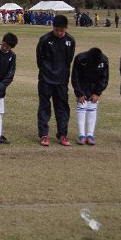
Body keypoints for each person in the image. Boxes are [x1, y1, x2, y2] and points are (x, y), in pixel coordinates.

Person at [36, 14, 76, 146]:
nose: (59, 33)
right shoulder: (44, 39)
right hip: (45, 80)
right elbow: (39, 60)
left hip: (62, 81)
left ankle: (62, 134)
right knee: (44, 107)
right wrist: (46, 72)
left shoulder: (70, 41)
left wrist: (62, 73)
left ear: (66, 28)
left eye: (62, 30)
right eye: (57, 30)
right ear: (53, 27)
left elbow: (69, 59)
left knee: (62, 107)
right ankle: (43, 134)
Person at [71, 47, 109, 146]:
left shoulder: (104, 60)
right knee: (82, 107)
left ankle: (90, 135)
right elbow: (75, 77)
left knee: (92, 108)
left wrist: (97, 93)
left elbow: (104, 78)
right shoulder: (80, 58)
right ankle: (81, 135)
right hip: (82, 86)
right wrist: (79, 93)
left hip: (95, 88)